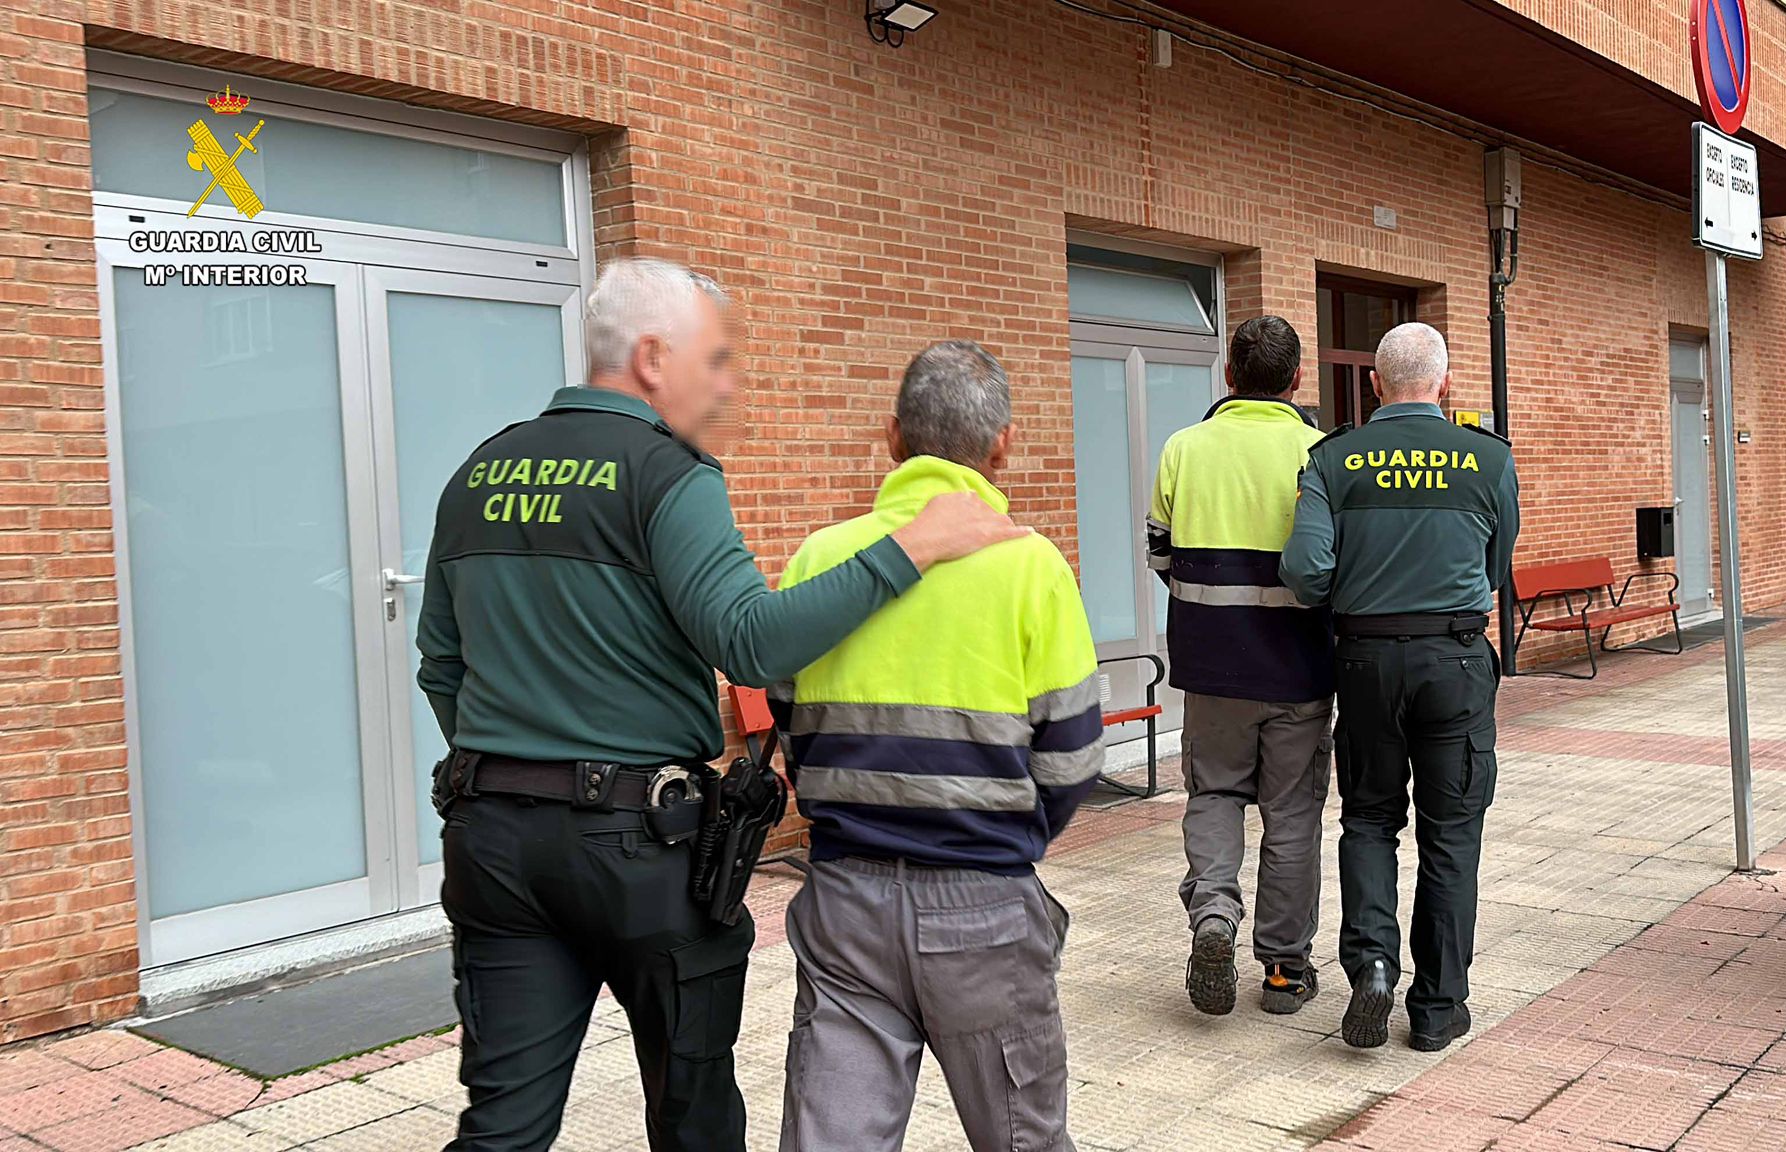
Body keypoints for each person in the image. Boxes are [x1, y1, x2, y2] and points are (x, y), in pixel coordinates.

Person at [417, 259, 1024, 1152]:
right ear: (652, 357)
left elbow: (441, 664)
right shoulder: (667, 473)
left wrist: (511, 767)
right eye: (716, 359)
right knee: (692, 1114)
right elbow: (751, 642)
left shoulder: (478, 473)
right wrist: (912, 547)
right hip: (636, 847)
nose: (729, 383)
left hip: (493, 841)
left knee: (502, 1125)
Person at [769, 340, 1101, 1152]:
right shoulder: (1031, 567)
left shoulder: (819, 556)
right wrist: (1004, 837)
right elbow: (1071, 759)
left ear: (893, 438)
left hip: (844, 902)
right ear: (1003, 447)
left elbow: (788, 720)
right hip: (983, 906)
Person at [1280, 321, 1519, 1054]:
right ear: (1445, 383)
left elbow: (1305, 572)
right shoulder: (1488, 458)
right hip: (1455, 661)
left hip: (1366, 662)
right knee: (1452, 835)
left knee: (1368, 820)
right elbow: (1497, 564)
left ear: (1374, 383)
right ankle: (1439, 1009)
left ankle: (1373, 967)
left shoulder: (1333, 459)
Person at [1147, 315, 1335, 1017]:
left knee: (1214, 796)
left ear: (1229, 375)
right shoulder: (1320, 451)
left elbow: (1160, 553)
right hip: (1299, 668)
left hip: (1210, 665)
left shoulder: (1184, 447)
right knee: (1292, 814)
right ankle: (1284, 970)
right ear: (1297, 378)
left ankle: (1214, 918)